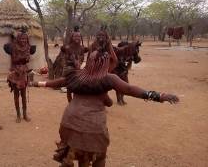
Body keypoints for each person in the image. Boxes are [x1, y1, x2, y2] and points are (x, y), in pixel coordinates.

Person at [31, 49, 179, 167]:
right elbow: (129, 89)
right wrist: (158, 96)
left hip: (69, 122)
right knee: (98, 157)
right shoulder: (108, 78)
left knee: (71, 151)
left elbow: (56, 83)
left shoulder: (76, 75)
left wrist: (36, 84)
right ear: (105, 63)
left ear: (88, 62)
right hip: (92, 126)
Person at [4, 28, 36, 123]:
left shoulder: (28, 47)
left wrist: (23, 60)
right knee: (16, 95)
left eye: (25, 39)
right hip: (15, 73)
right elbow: (15, 60)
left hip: (23, 73)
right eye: (21, 39)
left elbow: (26, 60)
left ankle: (25, 114)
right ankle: (18, 115)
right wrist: (22, 59)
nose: (23, 41)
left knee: (23, 95)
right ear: (18, 39)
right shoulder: (13, 47)